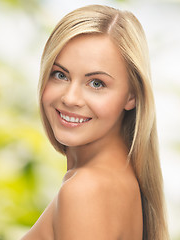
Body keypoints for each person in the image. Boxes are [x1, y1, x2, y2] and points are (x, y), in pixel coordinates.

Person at [21, 4, 169, 240]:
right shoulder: (120, 180)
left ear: (132, 96)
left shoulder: (85, 190)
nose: (70, 98)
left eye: (96, 83)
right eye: (60, 75)